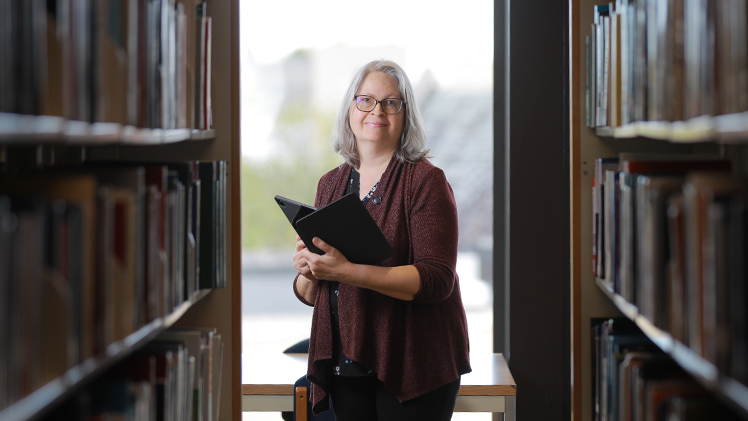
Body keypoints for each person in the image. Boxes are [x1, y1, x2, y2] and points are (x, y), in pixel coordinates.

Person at [291, 59, 471, 421]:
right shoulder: (331, 183)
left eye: (391, 102)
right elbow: (313, 294)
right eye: (366, 100)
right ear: (349, 111)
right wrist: (310, 269)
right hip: (346, 361)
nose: (378, 111)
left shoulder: (424, 181)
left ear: (406, 116)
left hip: (414, 362)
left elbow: (437, 280)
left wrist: (346, 271)